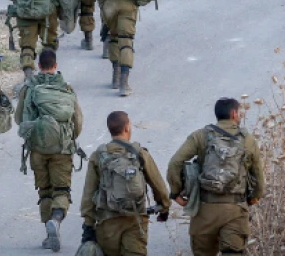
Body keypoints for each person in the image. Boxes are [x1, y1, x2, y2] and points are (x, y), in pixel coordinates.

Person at [167, 98, 265, 256]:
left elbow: (175, 163)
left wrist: (175, 192)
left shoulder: (200, 136)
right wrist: (252, 199)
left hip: (204, 210)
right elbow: (259, 180)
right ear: (234, 114)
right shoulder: (248, 140)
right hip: (235, 210)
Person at [15, 49, 83, 252]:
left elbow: (20, 119)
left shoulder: (29, 88)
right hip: (62, 148)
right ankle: (57, 218)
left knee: (45, 191)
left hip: (37, 148)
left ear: (38, 66)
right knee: (61, 190)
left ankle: (48, 233)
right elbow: (77, 120)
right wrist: (69, 139)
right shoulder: (66, 87)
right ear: (55, 65)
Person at [80, 110, 171, 256]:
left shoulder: (99, 156)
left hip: (107, 223)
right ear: (127, 127)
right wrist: (164, 208)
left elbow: (88, 193)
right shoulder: (139, 153)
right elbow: (159, 186)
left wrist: (88, 224)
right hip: (136, 221)